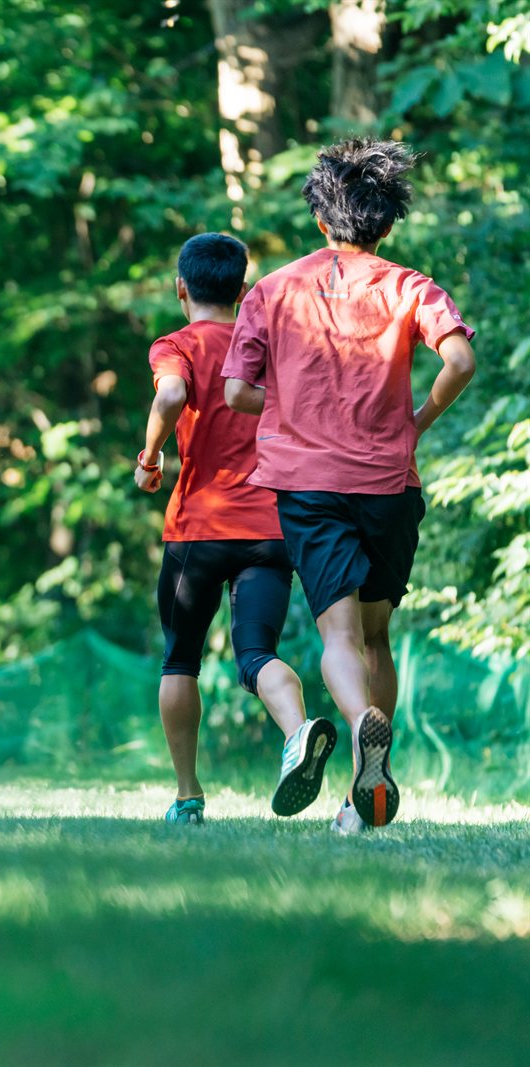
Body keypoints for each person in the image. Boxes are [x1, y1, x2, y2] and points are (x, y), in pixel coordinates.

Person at [222, 139, 477, 832]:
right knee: (377, 636)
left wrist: (289, 406)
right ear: (386, 223)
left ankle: (363, 724)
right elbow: (459, 358)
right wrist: (419, 418)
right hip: (390, 482)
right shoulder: (409, 286)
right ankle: (364, 796)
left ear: (319, 217)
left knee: (336, 634)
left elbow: (239, 389)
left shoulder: (272, 291)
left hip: (309, 483)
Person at [135, 232, 331, 826]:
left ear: (181, 288)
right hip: (271, 529)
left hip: (198, 528)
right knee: (255, 653)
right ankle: (297, 733)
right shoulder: (267, 345)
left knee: (180, 662)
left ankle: (189, 796)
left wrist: (149, 456)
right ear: (244, 291)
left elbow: (170, 393)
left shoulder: (177, 345)